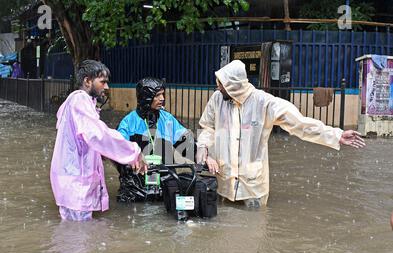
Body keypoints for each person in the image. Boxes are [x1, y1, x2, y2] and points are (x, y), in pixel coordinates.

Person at [196, 60, 366, 208]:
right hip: (223, 182)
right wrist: (204, 148)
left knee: (254, 227)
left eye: (221, 84)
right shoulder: (217, 99)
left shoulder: (264, 103)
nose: (217, 87)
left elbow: (300, 124)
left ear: (233, 85)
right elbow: (207, 127)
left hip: (253, 185)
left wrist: (336, 135)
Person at [50, 60, 146, 221]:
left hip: (74, 183)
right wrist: (134, 152)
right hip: (76, 184)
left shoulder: (81, 103)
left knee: (77, 235)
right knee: (78, 237)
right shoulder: (79, 100)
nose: (106, 88)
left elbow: (92, 140)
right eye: (102, 82)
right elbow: (99, 135)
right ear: (87, 81)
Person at [115, 77, 195, 202]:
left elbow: (186, 144)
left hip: (166, 186)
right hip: (136, 187)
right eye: (157, 95)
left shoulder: (167, 119)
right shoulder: (128, 122)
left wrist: (202, 152)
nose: (162, 99)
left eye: (162, 94)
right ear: (146, 97)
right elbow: (118, 149)